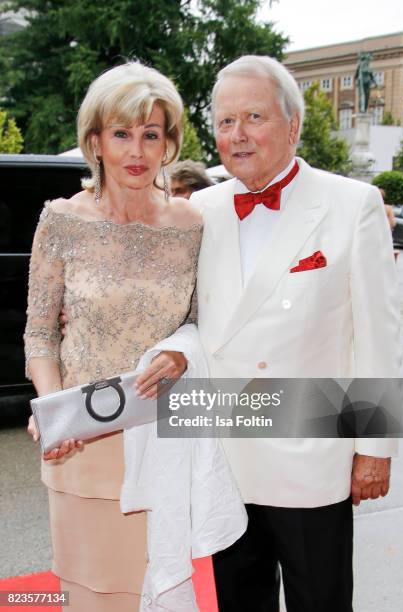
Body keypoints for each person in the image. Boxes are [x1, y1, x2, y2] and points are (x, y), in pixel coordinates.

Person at [190, 55, 401, 612]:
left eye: (254, 116)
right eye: (225, 120)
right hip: (223, 454)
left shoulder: (350, 205)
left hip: (310, 455)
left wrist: (374, 449)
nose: (237, 135)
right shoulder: (199, 209)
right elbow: (184, 325)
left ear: (293, 125)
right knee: (237, 602)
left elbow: (379, 335)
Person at [25, 61, 202, 611]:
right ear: (95, 141)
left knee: (166, 592)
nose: (137, 150)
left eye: (151, 134)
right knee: (92, 596)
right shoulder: (61, 220)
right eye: (122, 134)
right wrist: (54, 411)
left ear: (169, 142)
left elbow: (205, 324)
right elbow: (39, 336)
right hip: (83, 444)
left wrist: (181, 351)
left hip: (167, 444)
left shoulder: (192, 225)